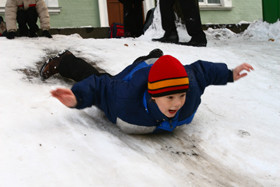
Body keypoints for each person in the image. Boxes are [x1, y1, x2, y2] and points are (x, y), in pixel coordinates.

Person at [40, 49, 253, 134]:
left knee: (145, 65)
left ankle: (151, 57)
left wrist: (228, 74)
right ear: (153, 96)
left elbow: (201, 72)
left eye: (181, 96)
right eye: (170, 97)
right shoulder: (123, 98)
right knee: (103, 76)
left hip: (156, 70)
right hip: (133, 79)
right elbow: (99, 85)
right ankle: (66, 61)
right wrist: (78, 98)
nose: (177, 103)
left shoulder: (190, 92)